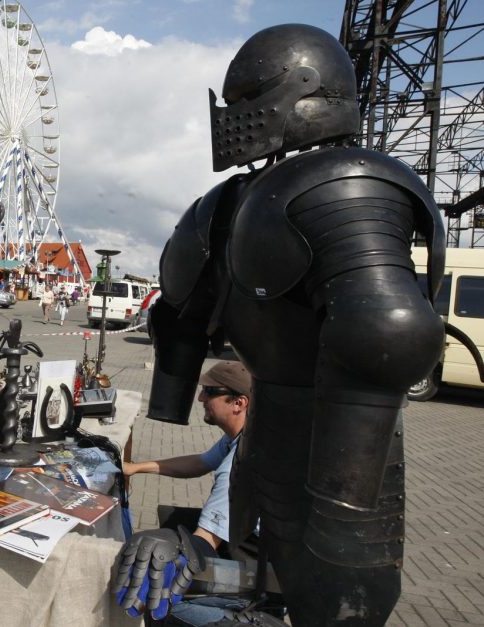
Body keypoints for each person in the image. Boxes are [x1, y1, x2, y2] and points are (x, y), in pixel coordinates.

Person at [118, 24, 444, 625]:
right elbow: (178, 315)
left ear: (300, 91)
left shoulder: (345, 182)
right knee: (257, 588)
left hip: (343, 467)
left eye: (247, 100)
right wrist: (169, 406)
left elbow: (388, 333)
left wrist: (343, 502)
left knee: (337, 607)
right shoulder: (230, 202)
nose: (236, 116)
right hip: (262, 446)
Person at [123, 361, 253, 625]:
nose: (201, 397)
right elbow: (199, 463)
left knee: (158, 589)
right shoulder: (244, 435)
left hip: (253, 574)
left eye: (210, 391)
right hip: (243, 547)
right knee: (168, 522)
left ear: (238, 403)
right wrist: (135, 468)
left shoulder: (240, 465)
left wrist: (168, 552)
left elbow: (205, 542)